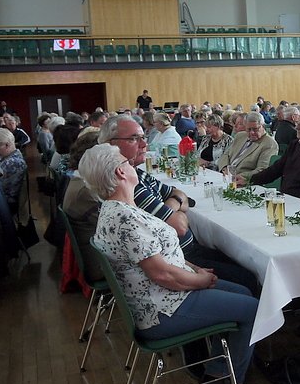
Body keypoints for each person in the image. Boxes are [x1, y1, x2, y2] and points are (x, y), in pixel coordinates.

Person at [82, 143, 258, 384]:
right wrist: (202, 281)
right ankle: (225, 381)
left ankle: (219, 371)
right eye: (127, 163)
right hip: (163, 309)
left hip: (162, 296)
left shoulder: (116, 209)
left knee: (244, 291)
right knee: (255, 309)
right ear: (120, 172)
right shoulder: (125, 218)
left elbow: (163, 256)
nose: (132, 166)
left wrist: (196, 268)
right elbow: (162, 274)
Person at [99, 116, 260, 295]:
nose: (144, 144)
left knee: (243, 261)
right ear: (111, 145)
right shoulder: (127, 185)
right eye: (134, 139)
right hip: (179, 258)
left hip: (183, 252)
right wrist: (176, 208)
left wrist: (169, 207)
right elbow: (180, 226)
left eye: (143, 137)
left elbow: (179, 194)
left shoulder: (137, 173)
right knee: (249, 277)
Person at [240, 106, 300, 200]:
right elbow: (276, 169)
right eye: (297, 122)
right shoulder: (295, 144)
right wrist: (250, 180)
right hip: (284, 197)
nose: (297, 127)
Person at [61, 129, 105, 282]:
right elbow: (118, 229)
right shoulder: (85, 192)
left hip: (99, 254)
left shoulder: (81, 180)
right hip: (101, 265)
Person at [217, 112, 278, 181]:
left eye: (255, 129)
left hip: (243, 180)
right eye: (248, 129)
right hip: (225, 175)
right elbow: (226, 154)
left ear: (263, 126)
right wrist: (224, 168)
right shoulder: (240, 136)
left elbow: (262, 170)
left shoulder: (269, 144)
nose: (252, 132)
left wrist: (237, 176)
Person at [0, 128, 27, 210]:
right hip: (2, 198)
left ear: (6, 145)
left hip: (4, 203)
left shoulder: (13, 163)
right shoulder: (9, 157)